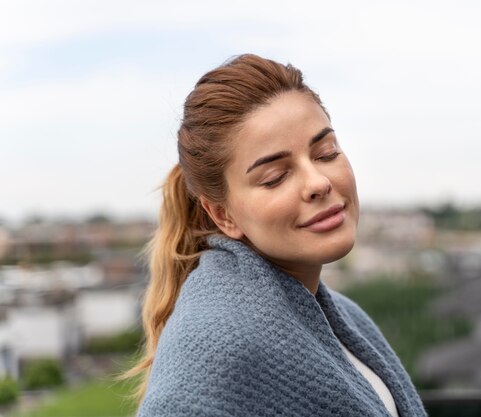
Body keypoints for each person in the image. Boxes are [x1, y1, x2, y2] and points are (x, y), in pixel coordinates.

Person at [127, 54, 427, 417]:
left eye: (326, 152)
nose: (319, 182)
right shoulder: (218, 347)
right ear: (222, 215)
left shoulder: (344, 318)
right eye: (275, 177)